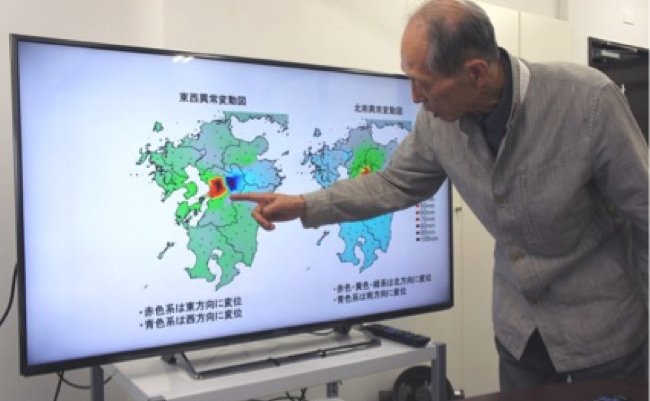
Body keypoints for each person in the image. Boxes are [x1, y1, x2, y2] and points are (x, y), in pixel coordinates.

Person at [231, 0, 649, 392]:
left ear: (476, 73)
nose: (415, 97)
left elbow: (645, 210)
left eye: (424, 84)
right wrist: (304, 205)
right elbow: (393, 183)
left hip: (604, 331)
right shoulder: (437, 122)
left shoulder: (587, 102)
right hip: (521, 334)